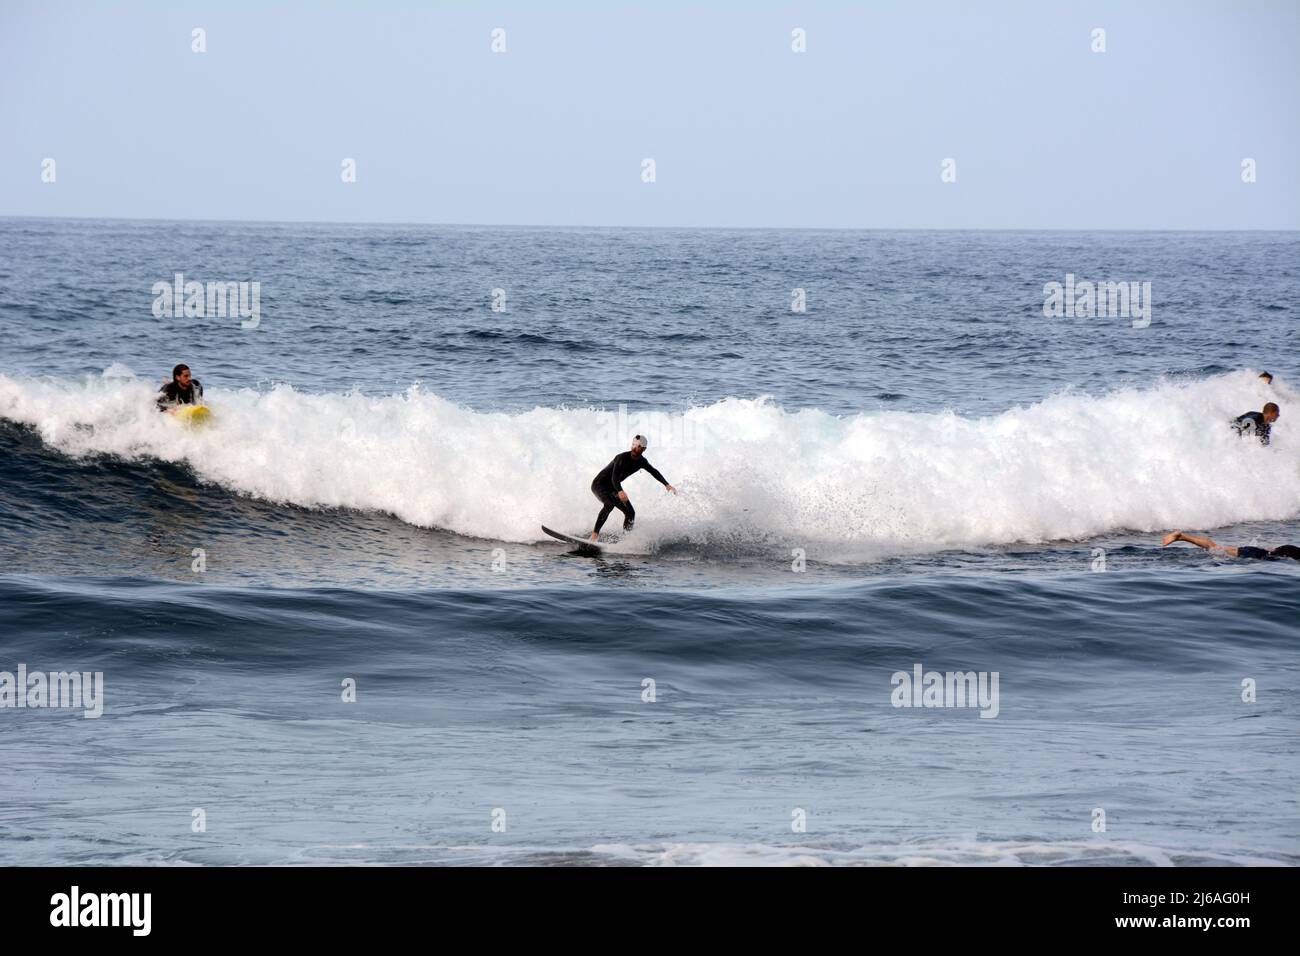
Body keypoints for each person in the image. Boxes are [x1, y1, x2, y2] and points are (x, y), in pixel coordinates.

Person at [589, 435, 676, 542]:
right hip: (599, 484)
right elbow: (614, 477)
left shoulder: (642, 462)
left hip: (613, 487)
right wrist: (620, 491)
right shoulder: (621, 458)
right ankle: (594, 535)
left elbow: (654, 471)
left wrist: (666, 484)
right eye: (633, 445)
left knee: (630, 513)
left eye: (638, 446)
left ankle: (626, 540)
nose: (634, 447)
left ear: (644, 449)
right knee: (609, 504)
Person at [1162, 531, 1300, 562]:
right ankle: (1181, 536)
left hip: (1255, 551)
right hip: (1254, 554)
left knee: (1214, 547)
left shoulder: (1292, 549)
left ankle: (1182, 537)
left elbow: (1276, 548)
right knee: (1213, 548)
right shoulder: (1293, 555)